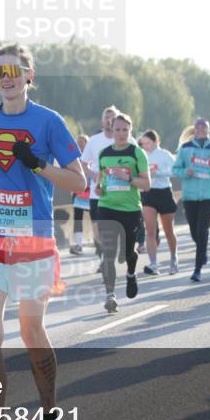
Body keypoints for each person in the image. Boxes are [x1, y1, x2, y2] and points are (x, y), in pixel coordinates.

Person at [0, 44, 85, 420]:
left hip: (34, 240)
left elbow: (78, 182)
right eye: (0, 69)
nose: (7, 75)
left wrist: (37, 165)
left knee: (31, 330)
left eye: (15, 69)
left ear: (29, 75)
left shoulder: (49, 121)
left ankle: (50, 419)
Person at [96, 114, 151, 312]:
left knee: (129, 252)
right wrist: (99, 189)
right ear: (111, 130)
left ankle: (130, 273)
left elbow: (147, 184)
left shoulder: (137, 153)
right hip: (107, 207)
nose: (121, 134)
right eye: (117, 130)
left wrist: (127, 179)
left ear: (130, 131)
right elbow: (100, 181)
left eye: (125, 130)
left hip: (130, 209)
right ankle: (110, 294)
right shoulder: (104, 154)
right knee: (108, 252)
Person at [172, 117, 210, 282]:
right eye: (198, 128)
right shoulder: (185, 148)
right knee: (194, 231)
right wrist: (185, 172)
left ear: (208, 131)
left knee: (201, 230)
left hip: (209, 194)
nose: (201, 131)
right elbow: (176, 169)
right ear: (194, 131)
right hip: (189, 195)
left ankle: (197, 269)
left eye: (204, 128)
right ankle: (203, 249)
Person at [82, 106, 120, 264]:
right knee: (97, 230)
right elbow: (84, 164)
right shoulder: (93, 141)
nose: (109, 120)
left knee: (112, 228)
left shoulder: (125, 140)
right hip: (96, 192)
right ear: (102, 121)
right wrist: (94, 177)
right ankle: (104, 256)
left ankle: (107, 259)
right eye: (107, 117)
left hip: (118, 191)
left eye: (113, 117)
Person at [138, 129, 178, 275]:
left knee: (169, 232)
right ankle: (153, 263)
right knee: (150, 231)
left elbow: (175, 171)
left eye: (148, 143)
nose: (146, 146)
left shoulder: (165, 155)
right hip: (148, 194)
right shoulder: (141, 155)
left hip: (164, 192)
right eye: (143, 144)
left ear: (156, 141)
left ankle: (174, 259)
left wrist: (159, 173)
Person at [69, 134, 92, 255]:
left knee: (96, 219)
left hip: (91, 192)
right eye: (78, 143)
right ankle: (78, 244)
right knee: (77, 219)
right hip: (78, 193)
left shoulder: (92, 157)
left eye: (82, 143)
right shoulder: (74, 158)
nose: (80, 145)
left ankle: (100, 243)